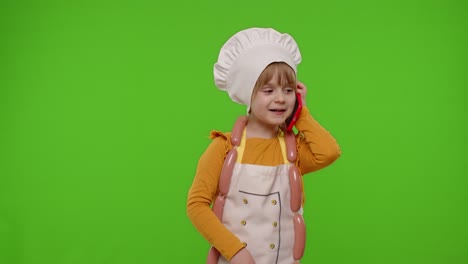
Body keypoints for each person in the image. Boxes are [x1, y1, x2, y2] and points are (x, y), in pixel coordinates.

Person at [187, 27, 341, 264]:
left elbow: (329, 152)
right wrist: (235, 251)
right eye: (268, 90)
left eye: (288, 90)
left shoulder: (293, 152)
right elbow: (196, 205)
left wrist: (301, 113)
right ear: (248, 94)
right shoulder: (223, 147)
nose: (280, 98)